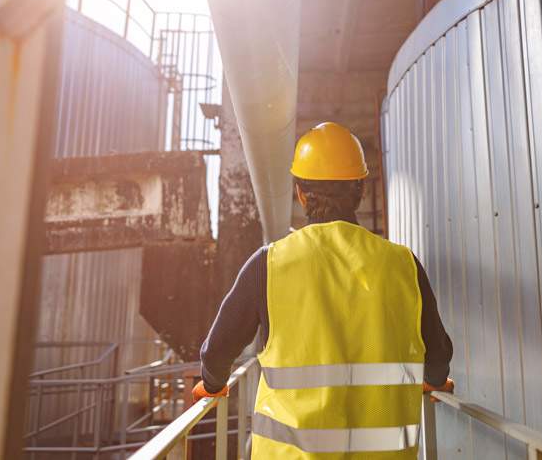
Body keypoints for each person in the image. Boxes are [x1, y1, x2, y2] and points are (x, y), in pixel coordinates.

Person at [194, 122, 454, 458]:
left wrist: (212, 385)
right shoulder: (404, 265)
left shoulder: (269, 264)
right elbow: (438, 356)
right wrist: (434, 382)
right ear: (360, 190)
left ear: (301, 193)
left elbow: (217, 352)